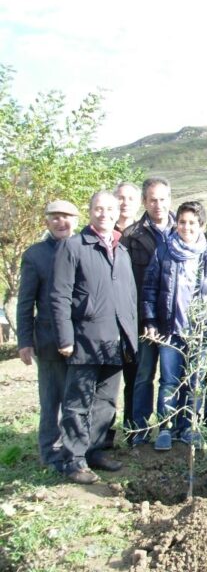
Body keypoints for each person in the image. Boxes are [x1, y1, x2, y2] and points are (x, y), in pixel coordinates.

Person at [50, 191, 138, 484]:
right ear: (89, 212)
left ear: (117, 212)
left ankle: (95, 450)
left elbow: (129, 298)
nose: (104, 214)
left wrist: (130, 338)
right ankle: (74, 460)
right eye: (98, 208)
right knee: (78, 401)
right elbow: (59, 295)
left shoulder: (121, 249)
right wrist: (65, 337)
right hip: (85, 338)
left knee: (106, 401)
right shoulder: (73, 247)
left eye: (109, 209)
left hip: (115, 340)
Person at [142, 201, 207, 451]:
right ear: (176, 223)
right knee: (169, 380)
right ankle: (167, 427)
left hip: (199, 331)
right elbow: (150, 289)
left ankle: (190, 426)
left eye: (192, 222)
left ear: (201, 224)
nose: (186, 227)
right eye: (182, 222)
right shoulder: (164, 251)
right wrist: (151, 321)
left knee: (196, 381)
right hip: (170, 329)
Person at [17, 199, 80, 472]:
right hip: (48, 339)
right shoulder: (36, 255)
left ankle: (74, 449)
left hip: (80, 339)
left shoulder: (83, 250)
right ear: (47, 221)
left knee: (75, 399)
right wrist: (24, 341)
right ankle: (51, 454)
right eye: (55, 217)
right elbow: (25, 301)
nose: (60, 222)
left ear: (76, 221)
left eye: (66, 217)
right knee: (51, 399)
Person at [123, 177, 175, 445]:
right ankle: (138, 430)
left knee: (172, 377)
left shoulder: (184, 229)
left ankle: (169, 429)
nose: (158, 205)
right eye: (152, 199)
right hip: (143, 322)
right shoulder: (131, 236)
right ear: (144, 201)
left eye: (163, 199)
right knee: (143, 376)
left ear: (170, 199)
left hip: (174, 322)